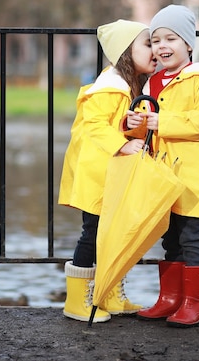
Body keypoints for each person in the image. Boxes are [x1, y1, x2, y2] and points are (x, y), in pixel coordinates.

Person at [125, 4, 199, 327]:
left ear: (189, 44)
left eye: (171, 38)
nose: (162, 47)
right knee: (170, 239)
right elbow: (146, 126)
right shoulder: (152, 83)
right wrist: (133, 125)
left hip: (193, 178)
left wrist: (161, 121)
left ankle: (195, 304)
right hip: (164, 177)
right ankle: (170, 299)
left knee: (193, 239)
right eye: (156, 41)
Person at [58, 19, 158, 323]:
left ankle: (109, 295)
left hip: (109, 173)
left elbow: (114, 125)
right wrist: (122, 144)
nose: (155, 50)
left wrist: (129, 131)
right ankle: (77, 302)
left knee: (113, 235)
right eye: (148, 44)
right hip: (97, 174)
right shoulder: (110, 87)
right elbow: (93, 126)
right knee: (93, 233)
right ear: (126, 52)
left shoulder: (125, 86)